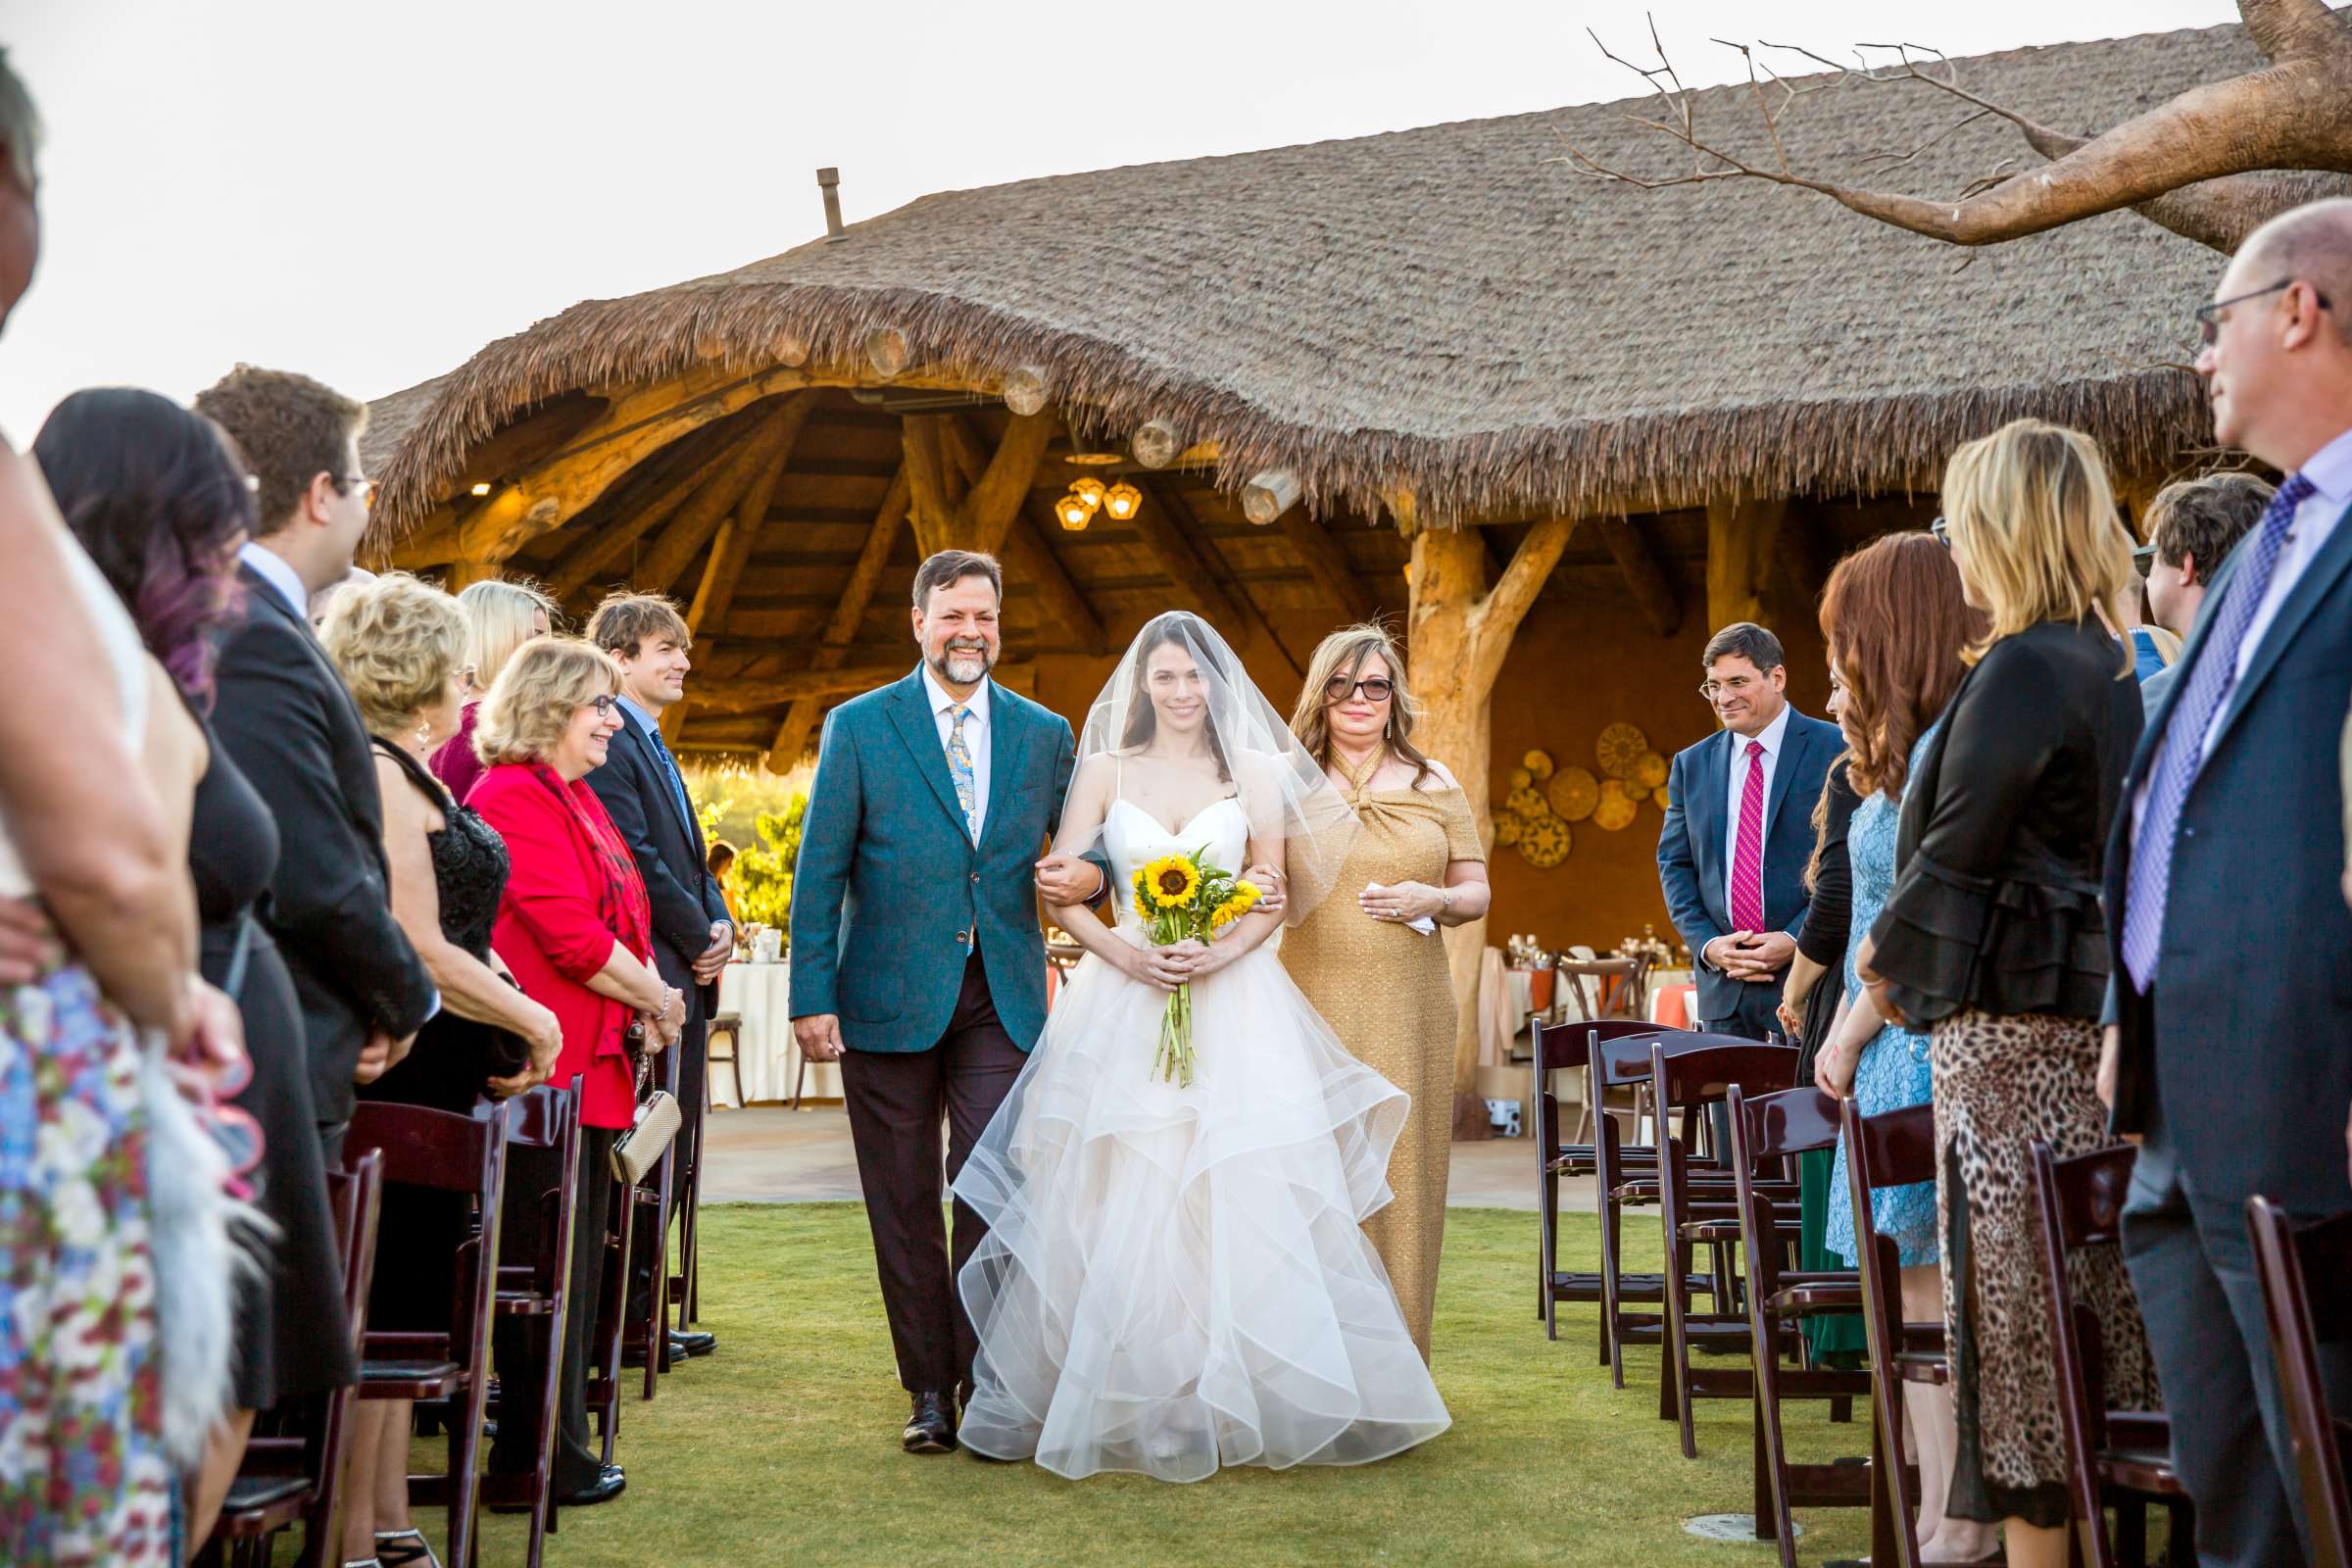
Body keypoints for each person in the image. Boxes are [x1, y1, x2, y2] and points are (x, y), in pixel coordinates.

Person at [950, 611, 1450, 1481]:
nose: (1182, 692)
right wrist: (1129, 955)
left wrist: (1213, 952)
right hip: (1124, 996)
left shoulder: (1255, 770)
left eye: (1195, 677)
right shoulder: (1104, 769)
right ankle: (1142, 1391)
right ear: (1142, 686)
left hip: (1234, 1001)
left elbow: (1271, 889)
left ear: (1217, 685)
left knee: (1239, 1188)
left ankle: (1244, 1393)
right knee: (1123, 1186)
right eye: (1166, 677)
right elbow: (1063, 891)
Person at [36, 385, 357, 1547]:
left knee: (220, 1387)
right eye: (212, 517)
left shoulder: (147, 666)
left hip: (218, 1083)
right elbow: (109, 876)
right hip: (144, 1080)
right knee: (142, 1408)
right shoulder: (73, 674)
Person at [2103, 199, 2352, 1568]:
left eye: (2218, 323)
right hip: (2179, 1105)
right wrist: (2122, 1014)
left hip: (2306, 1100)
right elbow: (2188, 795)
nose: (2205, 358)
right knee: (2238, 1503)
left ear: (2299, 313)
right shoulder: (2269, 543)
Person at [1867, 418, 2155, 1568]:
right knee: (2081, 1323)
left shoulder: (2028, 666)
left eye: (1958, 523)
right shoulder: (2113, 660)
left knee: (2023, 1340)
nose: (1954, 549)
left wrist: (1885, 978)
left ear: (2003, 525)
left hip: (2009, 1050)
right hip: (2079, 1027)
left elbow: (1955, 853)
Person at [786, 550, 1105, 1455]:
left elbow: (1099, 840)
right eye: (954, 616)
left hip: (1002, 998)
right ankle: (928, 1388)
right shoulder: (861, 726)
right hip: (883, 995)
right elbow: (821, 871)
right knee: (901, 1197)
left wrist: (1094, 869)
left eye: (986, 618)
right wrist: (812, 993)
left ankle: (986, 1379)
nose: (972, 633)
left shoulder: (1045, 733)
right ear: (919, 622)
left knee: (994, 1189)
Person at [319, 572, 564, 1566]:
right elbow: (418, 942)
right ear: (418, 667)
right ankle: (346, 1538)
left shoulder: (409, 768)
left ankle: (386, 1516)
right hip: (407, 1076)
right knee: (378, 1312)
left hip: (445, 1079)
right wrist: (533, 1019)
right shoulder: (378, 772)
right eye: (454, 657)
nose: (469, 676)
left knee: (404, 1305)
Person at [193, 366, 439, 1161]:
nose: (366, 510)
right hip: (273, 1054)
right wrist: (406, 1000)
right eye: (363, 489)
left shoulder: (251, 620)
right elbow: (310, 869)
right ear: (320, 494)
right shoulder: (251, 633)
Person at [1807, 533, 1991, 1564]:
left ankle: (1957, 1526)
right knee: (1910, 1307)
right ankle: (1929, 1518)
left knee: (1937, 1300)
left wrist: (1848, 1025)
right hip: (1878, 1062)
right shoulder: (1897, 747)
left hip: (1910, 1044)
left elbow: (1913, 915)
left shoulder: (1943, 753)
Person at [468, 635, 681, 1508]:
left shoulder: (570, 794)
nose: (611, 719)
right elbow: (570, 936)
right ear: (552, 708)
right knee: (544, 1270)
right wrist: (660, 997)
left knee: (574, 1270)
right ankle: (533, 1461)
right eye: (599, 705)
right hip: (548, 1077)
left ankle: (561, 1448)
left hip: (591, 1072)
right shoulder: (517, 796)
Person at [1277, 622, 1489, 1362]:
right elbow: (1257, 883)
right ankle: (1313, 1366)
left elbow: (1477, 890)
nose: (1359, 698)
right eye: (1342, 684)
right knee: (1315, 1172)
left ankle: (1399, 1367)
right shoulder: (1288, 784)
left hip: (1410, 1007)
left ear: (1393, 694)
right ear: (1321, 694)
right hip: (1307, 1005)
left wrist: (1432, 897)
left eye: (1374, 684)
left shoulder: (1437, 783)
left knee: (1404, 1175)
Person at [583, 592, 727, 1364]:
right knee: (646, 1149)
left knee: (680, 1145)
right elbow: (635, 855)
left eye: (683, 648)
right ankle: (627, 1320)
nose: (682, 661)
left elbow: (691, 859)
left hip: (687, 970)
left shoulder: (655, 744)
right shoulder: (612, 745)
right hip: (654, 981)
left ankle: (643, 1311)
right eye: (663, 648)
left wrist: (721, 921)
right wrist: (696, 932)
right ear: (619, 658)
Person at [1657, 622, 1840, 1039]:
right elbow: (1675, 864)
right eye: (1713, 686)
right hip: (1724, 990)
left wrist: (1796, 938)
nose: (1723, 698)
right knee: (1725, 1105)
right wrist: (1708, 945)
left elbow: (1846, 865)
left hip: (1809, 982)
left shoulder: (1835, 749)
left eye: (1737, 682)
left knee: (1803, 1106)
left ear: (1777, 677)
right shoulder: (1692, 765)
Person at [1775, 671, 1866, 1372]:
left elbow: (1833, 902)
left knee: (1841, 1151)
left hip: (1850, 997)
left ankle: (1842, 1332)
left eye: (1839, 684)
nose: (1831, 704)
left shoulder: (1854, 771)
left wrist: (1797, 990)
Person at [2136, 471, 2272, 716]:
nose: (2146, 576)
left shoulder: (2160, 699)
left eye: (2149, 557)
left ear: (2186, 566)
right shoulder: (2301, 664)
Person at [432, 577, 555, 806]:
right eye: (535, 636)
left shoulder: (452, 716)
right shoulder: (483, 726)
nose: (550, 652)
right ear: (495, 637)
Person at [708, 839, 742, 930]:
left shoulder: (723, 886)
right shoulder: (707, 883)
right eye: (729, 862)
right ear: (721, 860)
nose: (730, 867)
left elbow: (730, 914)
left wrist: (739, 930)